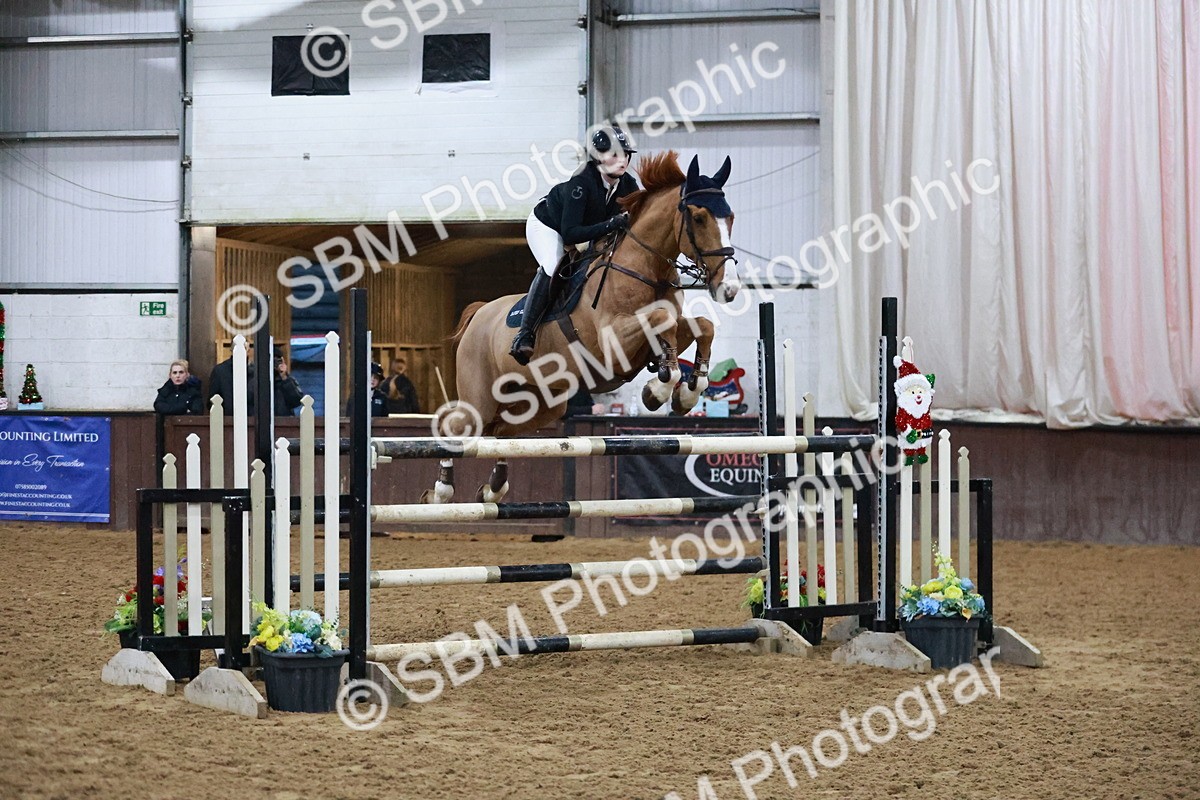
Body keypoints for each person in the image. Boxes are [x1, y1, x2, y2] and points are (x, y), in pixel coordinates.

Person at [509, 125, 641, 365]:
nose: (622, 161)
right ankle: (524, 334)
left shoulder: (628, 185)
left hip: (587, 229)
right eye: (615, 155)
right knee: (553, 265)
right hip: (549, 225)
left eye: (626, 155)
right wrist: (612, 224)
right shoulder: (581, 182)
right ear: (599, 156)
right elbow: (570, 235)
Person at [208, 343, 254, 416]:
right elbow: (212, 399)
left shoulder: (254, 372)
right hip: (226, 420)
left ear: (248, 351)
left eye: (245, 349)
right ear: (232, 350)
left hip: (251, 420)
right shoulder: (220, 371)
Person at [273, 350, 305, 416]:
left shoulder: (288, 380)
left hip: (283, 421)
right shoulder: (255, 377)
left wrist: (284, 377)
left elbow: (297, 401)